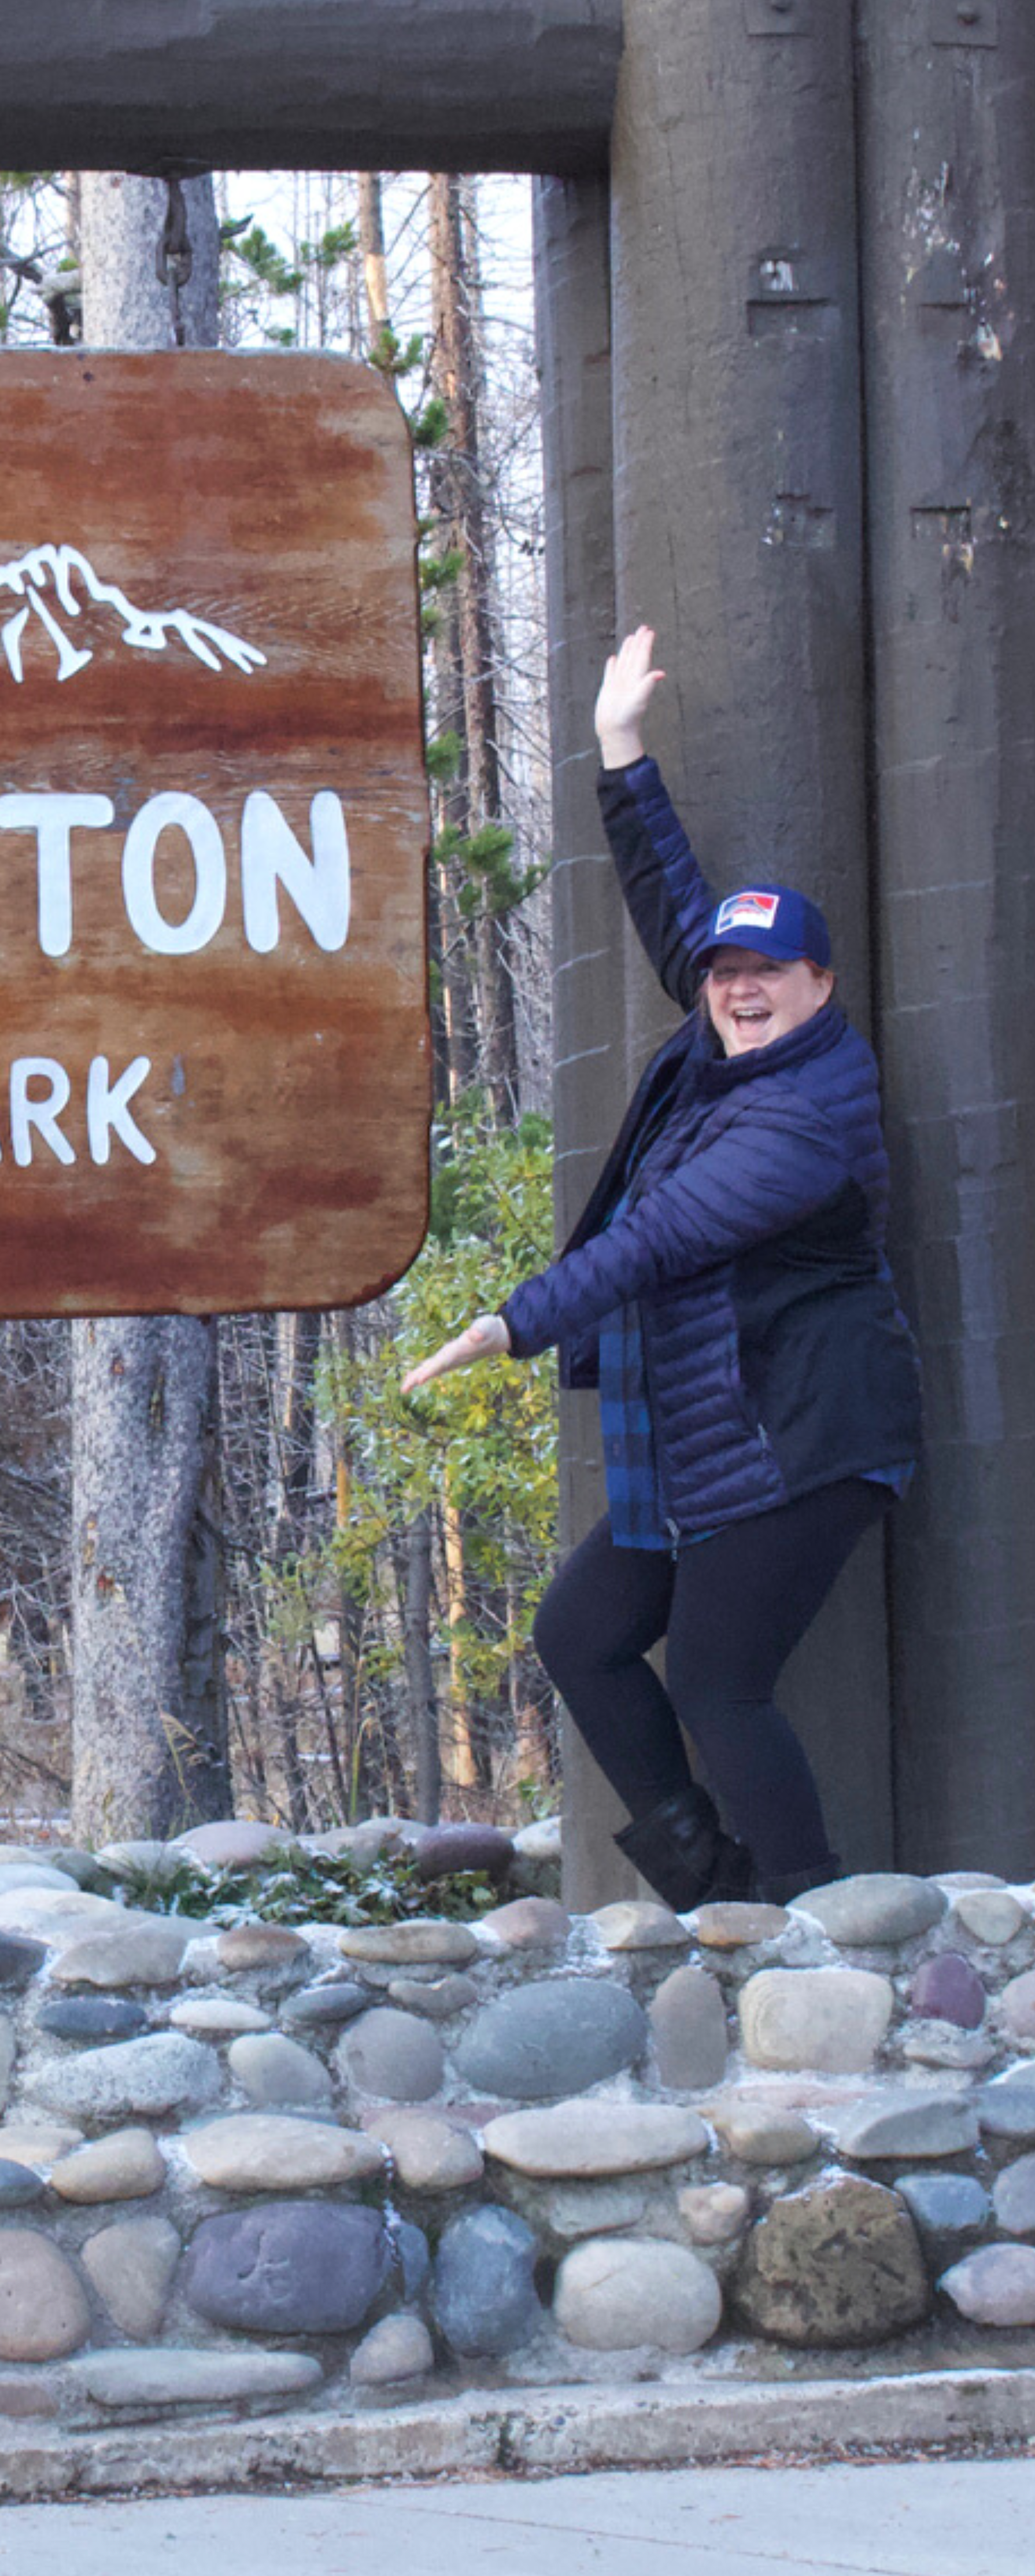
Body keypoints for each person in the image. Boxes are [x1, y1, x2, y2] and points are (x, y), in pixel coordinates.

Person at [400, 626, 921, 1910]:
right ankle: (715, 1892)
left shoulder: (803, 1119)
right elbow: (675, 907)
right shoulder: (729, 1045)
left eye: (767, 973)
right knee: (580, 1635)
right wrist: (618, 748)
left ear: (821, 983)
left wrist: (511, 1323)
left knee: (718, 1683)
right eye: (725, 973)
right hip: (719, 1430)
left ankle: (813, 1918)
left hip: (806, 1433)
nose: (738, 989)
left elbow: (658, 1238)